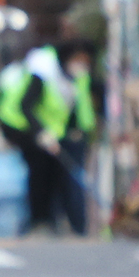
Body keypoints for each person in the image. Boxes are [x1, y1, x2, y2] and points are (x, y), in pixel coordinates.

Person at [0, 41, 74, 234]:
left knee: (49, 175)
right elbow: (25, 106)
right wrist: (42, 133)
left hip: (40, 131)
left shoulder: (48, 74)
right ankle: (39, 221)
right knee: (38, 175)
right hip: (25, 129)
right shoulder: (42, 75)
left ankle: (47, 219)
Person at [58, 41, 99, 235]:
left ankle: (79, 226)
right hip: (59, 138)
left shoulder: (87, 82)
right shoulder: (60, 80)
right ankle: (65, 224)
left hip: (81, 138)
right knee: (65, 185)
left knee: (77, 186)